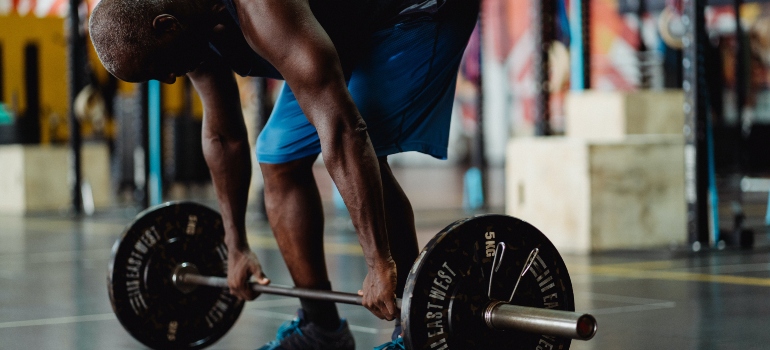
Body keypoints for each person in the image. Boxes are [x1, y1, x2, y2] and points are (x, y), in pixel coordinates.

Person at [89, 0, 479, 348]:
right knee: (276, 155)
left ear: (166, 25)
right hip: (336, 30)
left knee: (363, 144)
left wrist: (379, 264)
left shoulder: (263, 10)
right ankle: (320, 328)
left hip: (413, 14)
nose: (170, 80)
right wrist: (235, 246)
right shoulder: (186, 29)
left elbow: (344, 132)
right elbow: (224, 137)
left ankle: (414, 335)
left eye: (159, 70)